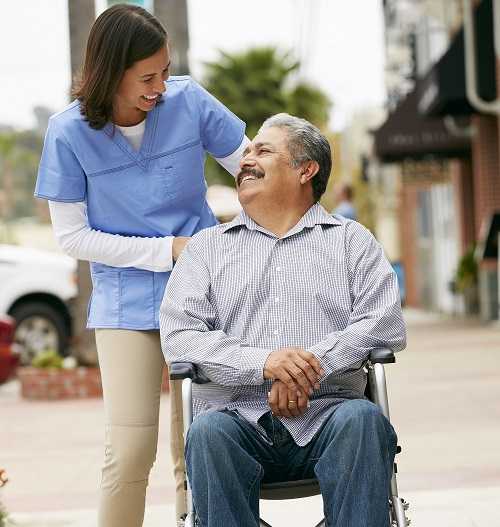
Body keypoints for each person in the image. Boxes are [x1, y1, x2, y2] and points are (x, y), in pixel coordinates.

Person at [34, 5, 249, 527]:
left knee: (197, 446)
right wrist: (166, 250)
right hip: (125, 303)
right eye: (147, 77)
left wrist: (255, 233)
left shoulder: (189, 101)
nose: (160, 87)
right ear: (111, 72)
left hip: (201, 294)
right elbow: (72, 237)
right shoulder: (66, 134)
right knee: (130, 452)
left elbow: (253, 170)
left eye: (165, 71)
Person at [160, 114, 406, 527]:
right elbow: (181, 337)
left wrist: (308, 368)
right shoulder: (205, 250)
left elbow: (384, 324)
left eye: (263, 150)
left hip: (331, 414)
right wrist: (265, 363)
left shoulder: (351, 242)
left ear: (305, 170)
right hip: (236, 421)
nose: (246, 160)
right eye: (248, 152)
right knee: (207, 433)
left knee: (363, 420)